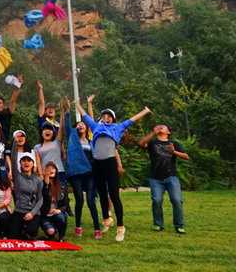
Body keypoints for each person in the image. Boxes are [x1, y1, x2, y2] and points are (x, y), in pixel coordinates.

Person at [77, 97, 151, 242]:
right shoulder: (96, 127)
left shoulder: (118, 127)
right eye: (104, 116)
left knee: (114, 195)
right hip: (97, 164)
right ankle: (106, 219)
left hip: (110, 163)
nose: (106, 118)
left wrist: (145, 111)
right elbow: (85, 116)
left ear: (113, 119)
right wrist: (77, 104)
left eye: (109, 116)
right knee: (102, 194)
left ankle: (121, 227)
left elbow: (132, 119)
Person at [59, 97, 101, 239]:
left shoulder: (91, 140)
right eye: (78, 124)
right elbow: (67, 125)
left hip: (90, 173)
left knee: (90, 200)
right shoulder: (71, 136)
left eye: (83, 124)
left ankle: (97, 228)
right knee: (79, 200)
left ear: (86, 127)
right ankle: (78, 226)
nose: (80, 125)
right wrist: (67, 110)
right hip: (76, 173)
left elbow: (91, 120)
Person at [139, 124, 189, 234]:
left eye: (163, 126)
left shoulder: (174, 143)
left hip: (171, 177)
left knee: (177, 200)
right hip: (155, 178)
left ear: (168, 132)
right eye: (159, 126)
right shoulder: (152, 143)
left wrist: (174, 152)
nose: (160, 127)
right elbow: (141, 143)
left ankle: (179, 225)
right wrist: (153, 133)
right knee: (157, 200)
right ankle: (158, 224)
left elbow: (186, 156)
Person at [10, 152, 43, 240]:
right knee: (13, 236)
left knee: (31, 231)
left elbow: (41, 199)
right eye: (23, 160)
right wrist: (15, 143)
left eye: (29, 160)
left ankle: (27, 230)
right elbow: (13, 159)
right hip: (19, 210)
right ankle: (22, 230)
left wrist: (32, 213)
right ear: (20, 163)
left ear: (33, 164)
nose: (26, 163)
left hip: (33, 212)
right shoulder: (17, 176)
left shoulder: (38, 180)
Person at [40, 162, 69, 241]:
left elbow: (66, 204)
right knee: (51, 232)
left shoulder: (62, 185)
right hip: (45, 215)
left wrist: (58, 210)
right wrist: (46, 183)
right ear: (45, 171)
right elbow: (42, 197)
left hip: (56, 212)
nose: (50, 170)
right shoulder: (40, 185)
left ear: (56, 171)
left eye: (53, 168)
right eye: (48, 169)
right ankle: (52, 231)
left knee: (61, 216)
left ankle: (61, 236)